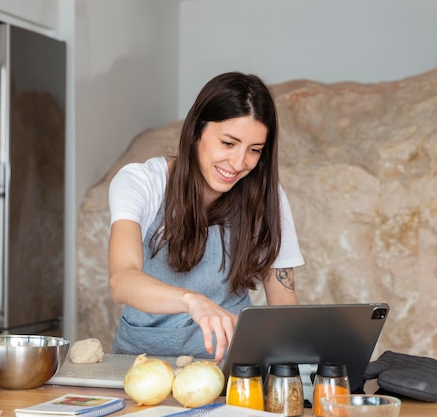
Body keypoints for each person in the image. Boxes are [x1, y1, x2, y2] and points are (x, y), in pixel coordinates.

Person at [107, 72, 304, 363]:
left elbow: (283, 307)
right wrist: (192, 302)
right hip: (140, 364)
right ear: (196, 131)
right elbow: (121, 279)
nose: (238, 163)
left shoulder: (268, 197)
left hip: (230, 368)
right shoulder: (140, 182)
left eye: (254, 150)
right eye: (228, 143)